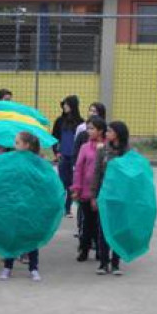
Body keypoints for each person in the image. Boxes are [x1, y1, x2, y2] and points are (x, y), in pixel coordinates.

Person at [0, 131, 43, 282]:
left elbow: (42, 182)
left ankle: (34, 267)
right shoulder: (12, 160)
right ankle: (7, 266)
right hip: (14, 203)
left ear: (27, 145)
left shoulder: (37, 162)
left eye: (17, 142)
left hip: (31, 205)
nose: (14, 145)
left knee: (31, 236)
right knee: (11, 235)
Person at [91, 121, 130, 276]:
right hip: (105, 196)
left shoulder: (128, 153)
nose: (106, 134)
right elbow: (96, 174)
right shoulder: (103, 150)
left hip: (121, 198)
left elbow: (133, 176)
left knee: (118, 230)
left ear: (118, 133)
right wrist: (94, 195)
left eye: (109, 131)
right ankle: (103, 263)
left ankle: (115, 263)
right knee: (104, 230)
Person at [71, 117, 106, 262]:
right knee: (87, 223)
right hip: (86, 190)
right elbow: (78, 169)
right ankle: (84, 250)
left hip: (103, 191)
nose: (89, 131)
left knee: (101, 224)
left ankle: (100, 251)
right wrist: (76, 188)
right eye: (88, 128)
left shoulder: (107, 147)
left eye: (92, 128)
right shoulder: (85, 147)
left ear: (100, 131)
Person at [51, 95, 83, 217]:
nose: (64, 106)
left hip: (75, 158)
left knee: (72, 183)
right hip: (63, 156)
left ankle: (68, 208)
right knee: (62, 182)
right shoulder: (59, 121)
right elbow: (54, 138)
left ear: (73, 106)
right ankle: (59, 206)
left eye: (67, 104)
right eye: (64, 104)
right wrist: (56, 152)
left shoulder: (81, 122)